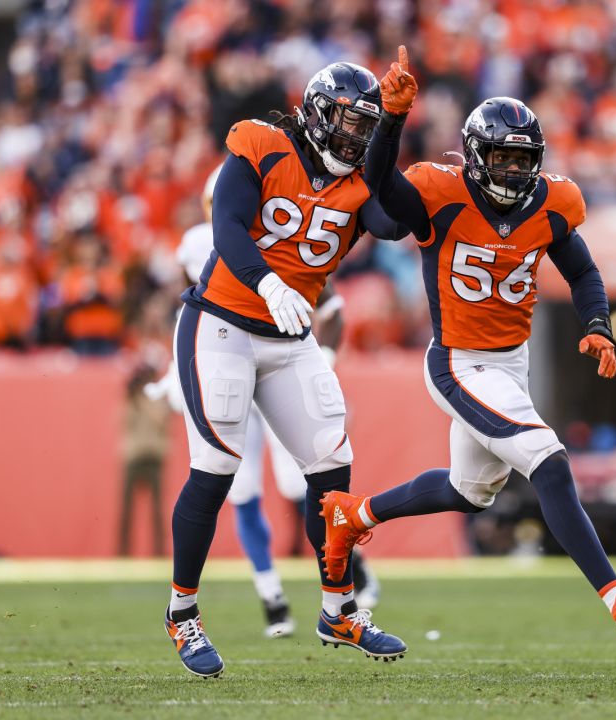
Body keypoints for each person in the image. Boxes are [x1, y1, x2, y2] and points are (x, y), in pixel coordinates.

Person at [319, 46, 616, 653]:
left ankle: (354, 517)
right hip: (459, 360)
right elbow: (380, 193)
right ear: (477, 156)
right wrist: (390, 119)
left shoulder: (551, 203)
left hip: (511, 361)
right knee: (548, 458)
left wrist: (595, 322)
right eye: (503, 158)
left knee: (469, 491)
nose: (514, 171)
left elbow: (584, 272)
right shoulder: (442, 191)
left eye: (524, 160)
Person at [162, 62, 410, 678]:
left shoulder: (357, 180)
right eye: (350, 123)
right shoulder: (261, 143)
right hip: (220, 321)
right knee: (217, 468)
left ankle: (339, 610)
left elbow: (394, 221)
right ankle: (182, 613)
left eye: (367, 127)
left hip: (288, 335)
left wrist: (396, 124)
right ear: (318, 113)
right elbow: (227, 225)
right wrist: (267, 281)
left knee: (331, 468)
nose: (356, 137)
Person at [154, 166, 382, 640]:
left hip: (284, 350)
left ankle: (342, 593)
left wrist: (326, 360)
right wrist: (175, 371)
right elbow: (183, 304)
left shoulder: (292, 222)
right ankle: (249, 599)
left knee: (319, 473)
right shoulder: (201, 240)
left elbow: (330, 302)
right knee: (225, 477)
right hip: (221, 347)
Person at [119, 365, 171, 557]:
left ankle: (159, 553)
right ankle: (122, 553)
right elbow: (124, 421)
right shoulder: (131, 400)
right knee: (126, 510)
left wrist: (146, 399)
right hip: (134, 457)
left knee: (157, 511)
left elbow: (162, 420)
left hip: (154, 457)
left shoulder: (157, 401)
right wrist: (136, 396)